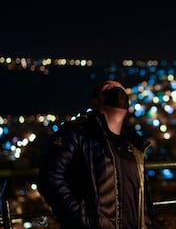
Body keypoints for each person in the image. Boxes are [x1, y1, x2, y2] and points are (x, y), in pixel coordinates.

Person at [38, 80, 157, 229]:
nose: (116, 89)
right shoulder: (77, 132)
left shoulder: (135, 145)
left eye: (120, 88)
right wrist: (81, 219)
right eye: (108, 87)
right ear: (95, 101)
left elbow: (143, 198)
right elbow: (50, 178)